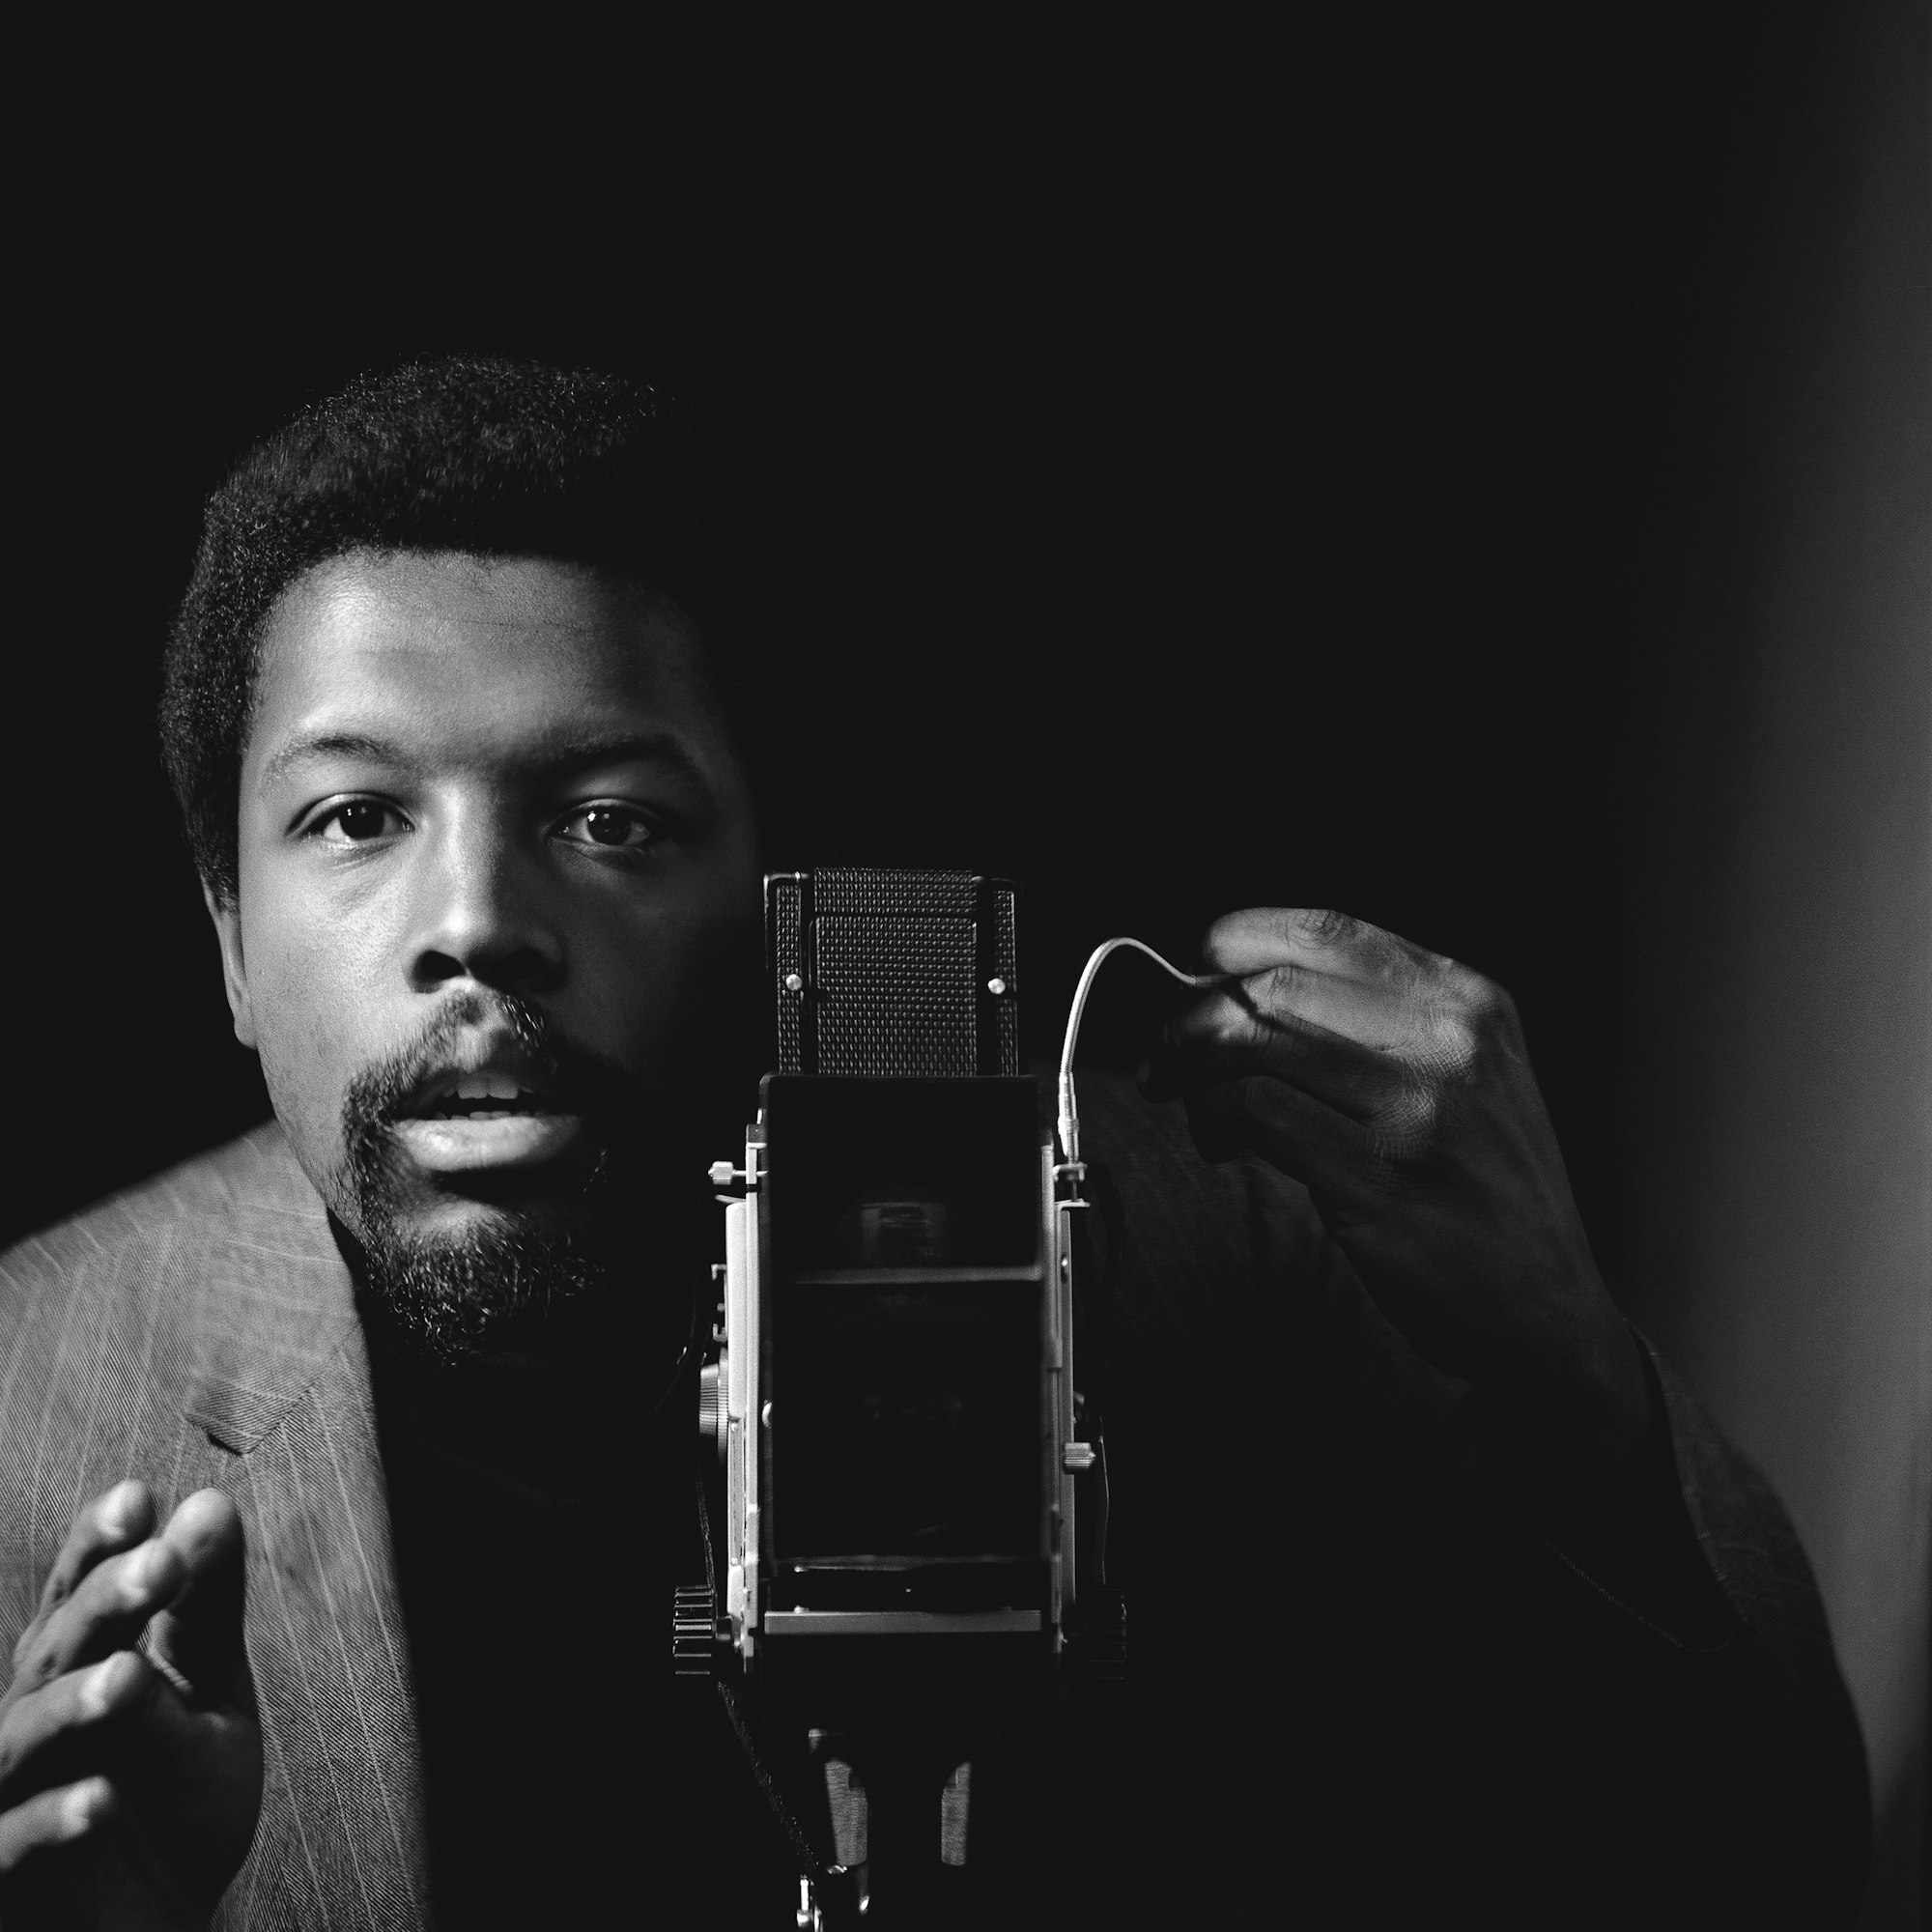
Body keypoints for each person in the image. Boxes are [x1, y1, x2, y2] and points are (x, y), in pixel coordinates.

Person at [0, 358, 1869, 1929]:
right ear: (230, 945)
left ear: (780, 907)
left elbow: (1767, 1863)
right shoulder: (33, 1395)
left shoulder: (1213, 1257)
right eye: (352, 818)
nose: (477, 919)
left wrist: (1566, 1358)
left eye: (613, 819)